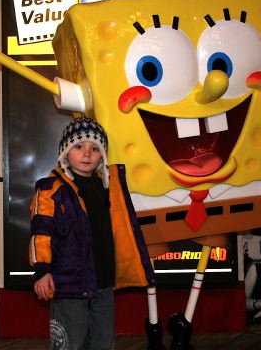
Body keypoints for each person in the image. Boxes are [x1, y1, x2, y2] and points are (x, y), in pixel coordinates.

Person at [29, 116, 156, 350]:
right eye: (79, 146)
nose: (87, 154)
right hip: (68, 284)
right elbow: (41, 233)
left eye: (95, 149)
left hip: (103, 282)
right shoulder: (51, 189)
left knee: (103, 341)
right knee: (70, 342)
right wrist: (42, 271)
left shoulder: (107, 187)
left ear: (102, 156)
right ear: (65, 151)